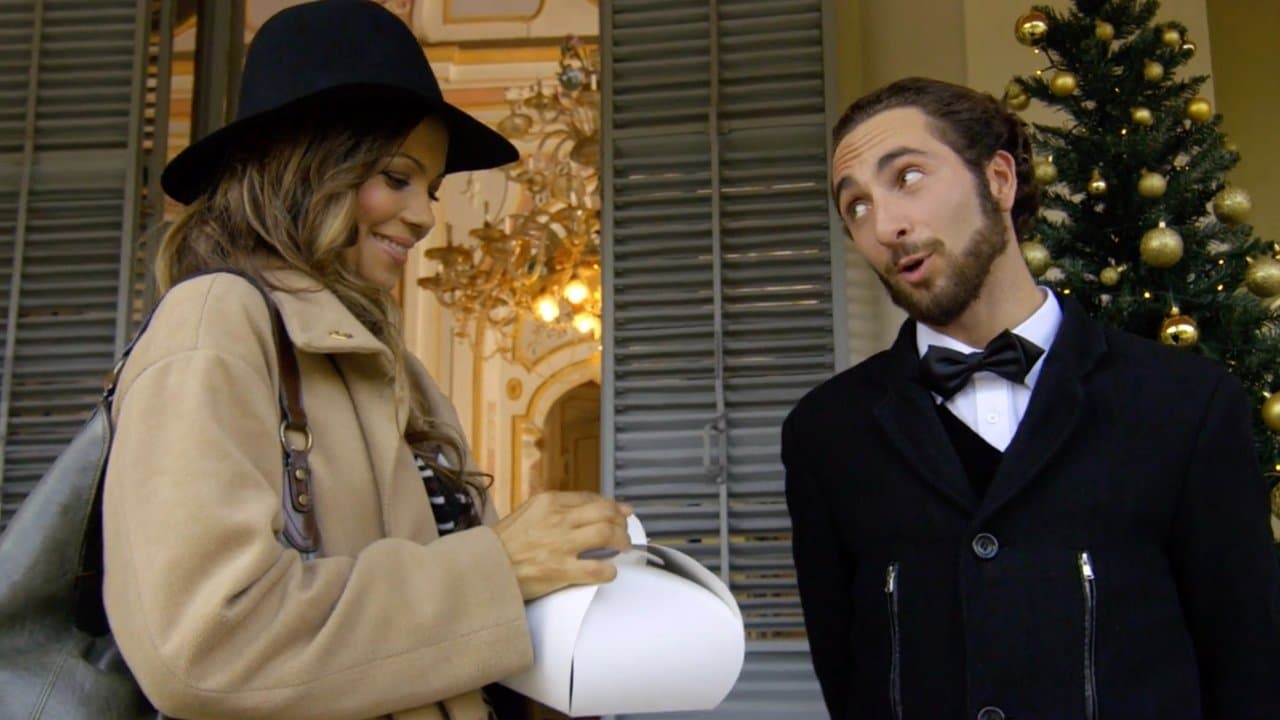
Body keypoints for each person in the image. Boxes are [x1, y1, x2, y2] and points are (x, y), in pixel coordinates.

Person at [102, 2, 631, 719]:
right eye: (398, 176)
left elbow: (431, 646)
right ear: (306, 165)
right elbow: (205, 647)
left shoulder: (396, 370)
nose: (425, 216)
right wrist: (498, 570)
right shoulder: (215, 322)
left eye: (431, 190)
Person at [783, 76, 1280, 720]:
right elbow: (847, 676)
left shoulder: (1187, 402)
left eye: (908, 177)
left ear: (998, 179)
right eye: (855, 207)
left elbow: (1248, 666)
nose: (885, 225)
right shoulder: (826, 432)